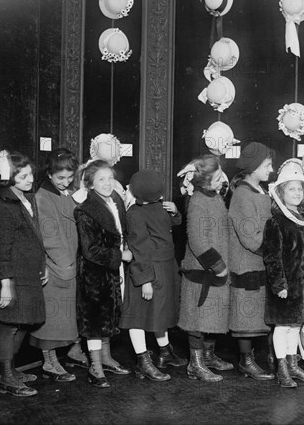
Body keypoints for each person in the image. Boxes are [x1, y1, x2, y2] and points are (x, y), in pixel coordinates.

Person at [119, 170, 186, 382]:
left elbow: (174, 224)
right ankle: (142, 361)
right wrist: (145, 279)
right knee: (138, 316)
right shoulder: (134, 214)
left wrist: (175, 212)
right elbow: (140, 248)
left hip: (165, 267)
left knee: (160, 313)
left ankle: (164, 353)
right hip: (147, 270)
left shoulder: (160, 206)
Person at [29, 149, 86, 383]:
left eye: (70, 177)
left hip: (70, 266)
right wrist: (65, 264)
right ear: (49, 174)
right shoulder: (42, 196)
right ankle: (49, 362)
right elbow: (49, 236)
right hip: (56, 267)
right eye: (60, 178)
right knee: (51, 320)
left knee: (67, 315)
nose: (66, 182)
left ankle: (71, 351)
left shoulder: (68, 194)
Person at [75, 159, 133, 388]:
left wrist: (124, 248)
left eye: (110, 178)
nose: (108, 183)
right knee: (95, 320)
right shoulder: (85, 210)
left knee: (110, 314)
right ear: (90, 184)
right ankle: (95, 366)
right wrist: (121, 256)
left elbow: (120, 233)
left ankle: (107, 358)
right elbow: (90, 251)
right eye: (101, 179)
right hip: (95, 274)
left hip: (112, 270)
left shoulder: (114, 202)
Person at [177, 155, 233, 383]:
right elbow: (198, 242)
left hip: (216, 270)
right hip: (204, 271)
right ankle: (195, 364)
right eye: (218, 178)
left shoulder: (214, 196)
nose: (222, 181)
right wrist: (219, 267)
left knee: (212, 316)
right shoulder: (198, 201)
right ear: (203, 182)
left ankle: (208, 356)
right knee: (198, 320)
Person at [263, 159, 304, 388]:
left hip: (302, 287)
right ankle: (282, 368)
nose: (296, 193)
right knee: (283, 327)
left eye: (299, 189)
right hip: (286, 287)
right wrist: (280, 285)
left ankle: (293, 364)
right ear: (280, 193)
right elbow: (272, 257)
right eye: (291, 189)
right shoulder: (276, 222)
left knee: (295, 326)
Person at [0, 151, 46, 397]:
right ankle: (6, 376)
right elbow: (2, 247)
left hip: (30, 273)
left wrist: (42, 266)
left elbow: (36, 238)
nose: (30, 180)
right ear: (8, 178)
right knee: (9, 325)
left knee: (26, 321)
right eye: (24, 176)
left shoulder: (28, 198)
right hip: (13, 276)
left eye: (31, 175)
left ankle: (10, 371)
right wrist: (5, 283)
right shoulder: (4, 204)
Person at [228, 142, 276, 381]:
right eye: (267, 165)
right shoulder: (243, 194)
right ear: (254, 167)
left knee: (258, 313)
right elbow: (249, 237)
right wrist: (273, 251)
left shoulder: (259, 190)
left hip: (261, 261)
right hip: (248, 262)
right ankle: (246, 361)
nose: (271, 169)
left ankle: (265, 358)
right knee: (246, 313)